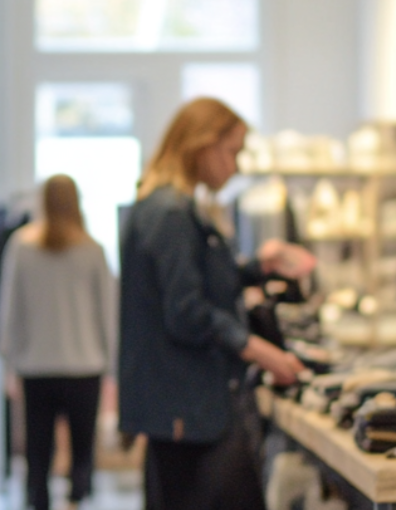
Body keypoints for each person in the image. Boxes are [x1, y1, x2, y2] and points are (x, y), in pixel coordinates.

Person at [118, 97, 314, 509]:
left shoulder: (170, 206)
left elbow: (197, 285)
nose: (237, 166)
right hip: (189, 410)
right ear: (202, 144)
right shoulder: (171, 213)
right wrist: (263, 352)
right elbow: (186, 311)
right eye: (232, 152)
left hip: (184, 408)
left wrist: (259, 266)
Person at [0, 175, 118, 510]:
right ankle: (77, 502)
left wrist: (8, 361)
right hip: (84, 365)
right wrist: (111, 365)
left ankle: (40, 503)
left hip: (36, 367)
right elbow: (107, 313)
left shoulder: (22, 245)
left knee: (37, 453)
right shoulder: (92, 249)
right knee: (82, 452)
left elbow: (9, 309)